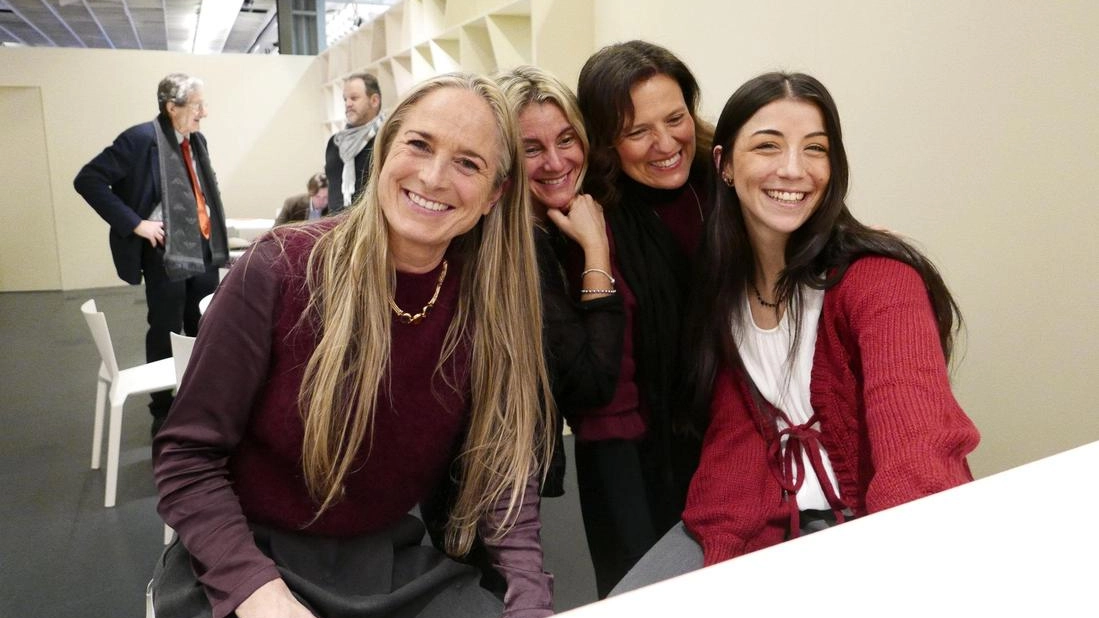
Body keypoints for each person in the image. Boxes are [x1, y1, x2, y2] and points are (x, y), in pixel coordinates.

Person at [151, 73, 555, 618]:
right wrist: (256, 591)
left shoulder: (489, 305)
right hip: (247, 558)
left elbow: (507, 473)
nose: (434, 177)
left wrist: (530, 598)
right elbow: (188, 457)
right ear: (385, 151)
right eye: (419, 145)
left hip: (385, 566)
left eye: (468, 163)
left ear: (494, 195)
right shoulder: (279, 269)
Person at [610, 71, 981, 594]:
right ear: (725, 166)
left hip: (868, 517)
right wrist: (724, 556)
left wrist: (906, 570)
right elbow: (733, 445)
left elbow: (918, 450)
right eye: (767, 146)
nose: (794, 169)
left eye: (815, 149)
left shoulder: (880, 282)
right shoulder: (723, 295)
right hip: (764, 513)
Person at [570, 40, 713, 597]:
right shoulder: (593, 215)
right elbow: (602, 381)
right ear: (607, 141)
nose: (664, 144)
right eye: (637, 132)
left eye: (674, 118)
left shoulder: (725, 181)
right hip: (630, 448)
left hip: (727, 432)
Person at [495, 66, 626, 498]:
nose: (556, 162)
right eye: (531, 148)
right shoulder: (520, 248)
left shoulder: (541, 230)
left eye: (566, 139)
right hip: (496, 482)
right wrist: (597, 248)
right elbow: (591, 385)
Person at [74, 72, 229, 436]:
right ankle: (163, 406)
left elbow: (204, 187)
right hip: (165, 251)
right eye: (196, 105)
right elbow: (88, 180)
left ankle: (201, 395)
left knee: (203, 323)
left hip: (201, 245)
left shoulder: (196, 139)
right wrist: (135, 223)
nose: (204, 112)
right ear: (171, 107)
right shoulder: (140, 139)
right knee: (166, 326)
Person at [325, 71, 384, 213]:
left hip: (371, 229)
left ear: (374, 101)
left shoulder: (386, 139)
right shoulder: (335, 143)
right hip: (336, 229)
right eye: (345, 99)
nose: (348, 104)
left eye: (354, 98)